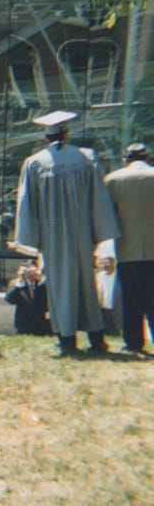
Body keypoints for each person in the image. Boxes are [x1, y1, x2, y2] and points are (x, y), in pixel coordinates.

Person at [15, 111, 121, 356]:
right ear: (66, 133)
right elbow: (99, 199)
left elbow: (26, 204)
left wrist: (31, 238)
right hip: (82, 233)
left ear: (45, 137)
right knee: (87, 284)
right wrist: (100, 230)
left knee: (60, 286)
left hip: (53, 236)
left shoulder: (34, 163)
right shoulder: (86, 158)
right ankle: (96, 340)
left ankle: (67, 341)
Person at [104, 142, 154, 354]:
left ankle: (133, 342)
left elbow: (107, 215)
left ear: (126, 159)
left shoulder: (113, 180)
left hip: (127, 247)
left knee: (131, 298)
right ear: (148, 157)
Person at [4, 260, 51, 336]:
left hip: (42, 324)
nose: (29, 274)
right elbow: (10, 299)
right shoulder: (17, 283)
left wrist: (41, 279)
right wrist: (21, 281)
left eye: (31, 271)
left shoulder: (42, 284)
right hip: (23, 324)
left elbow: (49, 299)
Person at [94, 240, 120, 337]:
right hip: (103, 308)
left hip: (115, 308)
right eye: (104, 262)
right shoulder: (99, 276)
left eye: (108, 262)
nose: (106, 264)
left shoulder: (118, 277)